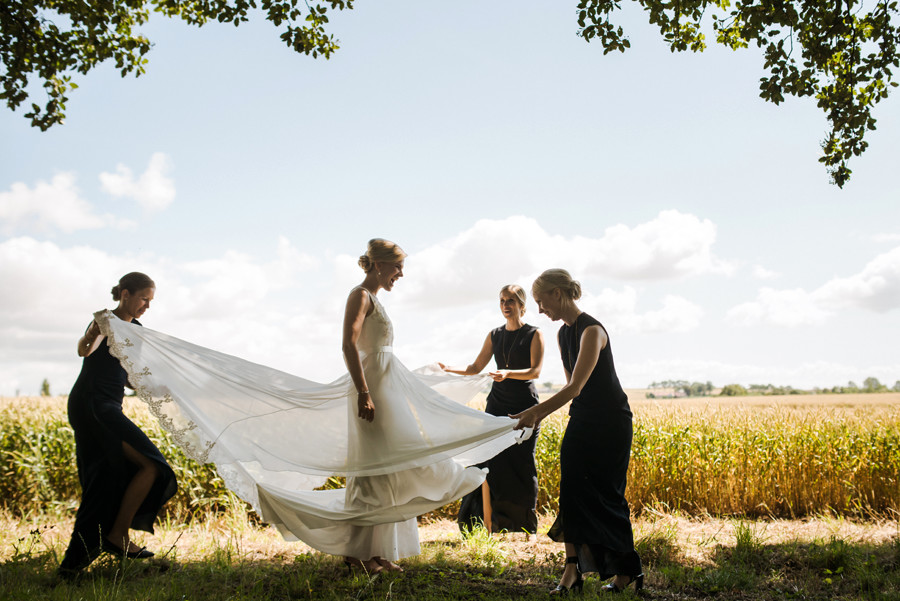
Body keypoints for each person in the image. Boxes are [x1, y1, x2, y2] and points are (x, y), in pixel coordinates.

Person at [90, 240, 522, 573]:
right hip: (371, 390)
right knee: (372, 471)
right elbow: (349, 344)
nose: (401, 275)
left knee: (388, 469)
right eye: (397, 267)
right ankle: (360, 555)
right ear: (377, 264)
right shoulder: (360, 296)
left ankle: (370, 552)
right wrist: (364, 392)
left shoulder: (378, 299)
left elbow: (379, 351)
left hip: (386, 386)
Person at [512, 269, 643, 595]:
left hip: (611, 422)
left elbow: (575, 386)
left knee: (607, 495)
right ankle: (572, 570)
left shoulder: (592, 331)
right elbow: (575, 392)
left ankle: (627, 571)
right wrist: (540, 414)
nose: (540, 310)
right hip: (582, 419)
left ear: (558, 293)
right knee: (571, 490)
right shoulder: (563, 335)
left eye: (542, 302)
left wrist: (536, 412)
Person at [58, 272, 177, 578]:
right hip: (91, 404)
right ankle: (117, 535)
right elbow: (85, 350)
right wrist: (91, 334)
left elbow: (127, 375)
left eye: (150, 301)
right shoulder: (105, 320)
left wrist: (165, 387)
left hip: (109, 403)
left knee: (110, 475)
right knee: (150, 466)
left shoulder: (135, 329)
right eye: (143, 299)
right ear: (125, 293)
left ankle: (79, 561)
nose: (146, 306)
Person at [439, 285, 544, 536]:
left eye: (511, 301)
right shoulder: (494, 335)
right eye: (502, 301)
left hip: (525, 405)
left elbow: (535, 371)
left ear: (521, 304)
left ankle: (524, 527)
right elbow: (475, 367)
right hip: (496, 405)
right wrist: (446, 368)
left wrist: (508, 373)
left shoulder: (534, 334)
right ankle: (490, 524)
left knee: (522, 464)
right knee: (491, 461)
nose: (506, 305)